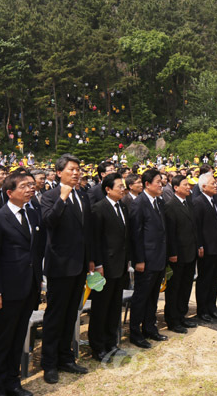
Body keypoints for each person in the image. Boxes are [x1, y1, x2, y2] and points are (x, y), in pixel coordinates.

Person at [41, 154, 94, 384]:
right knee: (55, 316)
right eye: (71, 169)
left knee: (71, 314)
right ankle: (49, 363)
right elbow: (48, 224)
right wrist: (62, 199)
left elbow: (87, 231)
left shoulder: (83, 195)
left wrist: (91, 259)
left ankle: (66, 358)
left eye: (78, 169)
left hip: (80, 265)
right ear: (59, 172)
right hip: (60, 267)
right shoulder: (49, 196)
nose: (76, 173)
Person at [0, 171, 43, 396]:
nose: (30, 189)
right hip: (7, 290)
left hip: (28, 288)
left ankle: (13, 383)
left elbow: (36, 252)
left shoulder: (33, 215)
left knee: (18, 338)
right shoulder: (0, 218)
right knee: (2, 340)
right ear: (9, 192)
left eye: (31, 185)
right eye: (24, 186)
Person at [88, 173, 130, 361]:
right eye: (119, 186)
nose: (123, 189)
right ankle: (97, 347)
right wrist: (98, 264)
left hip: (120, 265)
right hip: (104, 266)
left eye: (123, 186)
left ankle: (111, 343)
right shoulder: (98, 209)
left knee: (114, 306)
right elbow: (95, 240)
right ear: (108, 189)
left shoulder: (122, 206)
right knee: (101, 308)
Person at [129, 169, 167, 348]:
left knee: (153, 297)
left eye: (161, 181)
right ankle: (135, 333)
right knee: (141, 297)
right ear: (147, 184)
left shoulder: (159, 202)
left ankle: (150, 328)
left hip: (159, 257)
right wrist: (139, 260)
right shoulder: (139, 204)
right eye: (158, 182)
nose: (161, 185)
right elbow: (135, 235)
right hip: (146, 260)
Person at [164, 175, 198, 333]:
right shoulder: (170, 206)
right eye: (185, 185)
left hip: (190, 252)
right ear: (176, 187)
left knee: (186, 286)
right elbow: (170, 233)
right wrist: (172, 253)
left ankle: (182, 315)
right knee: (174, 288)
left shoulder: (189, 203)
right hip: (178, 254)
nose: (188, 187)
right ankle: (172, 320)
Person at [194, 173, 217, 322]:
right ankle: (203, 310)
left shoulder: (215, 200)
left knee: (214, 280)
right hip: (206, 247)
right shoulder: (198, 202)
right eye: (213, 183)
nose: (215, 185)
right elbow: (197, 226)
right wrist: (199, 244)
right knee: (205, 280)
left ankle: (212, 306)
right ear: (204, 186)